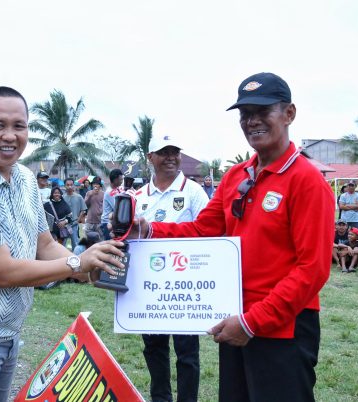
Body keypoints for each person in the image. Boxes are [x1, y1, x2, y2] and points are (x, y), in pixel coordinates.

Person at [133, 72, 334, 401]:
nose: (252, 121)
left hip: (283, 328)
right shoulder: (236, 176)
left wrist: (253, 322)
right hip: (233, 319)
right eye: (245, 114)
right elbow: (202, 229)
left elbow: (312, 269)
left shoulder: (307, 181)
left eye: (262, 111)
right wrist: (151, 229)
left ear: (289, 114)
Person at [0, 86, 124, 402]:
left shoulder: (24, 179)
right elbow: (2, 272)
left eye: (19, 126)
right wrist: (76, 263)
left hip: (7, 328)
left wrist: (88, 267)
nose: (10, 135)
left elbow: (43, 243)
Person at [134, 133, 209, 402]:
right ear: (150, 157)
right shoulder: (138, 196)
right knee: (154, 348)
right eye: (164, 152)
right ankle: (160, 398)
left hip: (184, 286)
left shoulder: (193, 192)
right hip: (150, 287)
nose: (171, 157)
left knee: (187, 352)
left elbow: (207, 234)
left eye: (174, 151)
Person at [62, 178, 87, 251]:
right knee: (62, 244)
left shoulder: (79, 197)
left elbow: (83, 210)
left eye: (71, 185)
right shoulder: (62, 197)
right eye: (67, 185)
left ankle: (75, 259)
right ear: (65, 186)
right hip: (64, 225)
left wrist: (78, 219)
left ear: (74, 186)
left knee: (75, 244)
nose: (69, 186)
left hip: (74, 225)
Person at [101, 169, 124, 241]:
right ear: (115, 180)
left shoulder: (117, 189)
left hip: (113, 222)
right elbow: (117, 207)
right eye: (120, 180)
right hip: (107, 223)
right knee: (109, 246)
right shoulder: (110, 192)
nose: (122, 181)